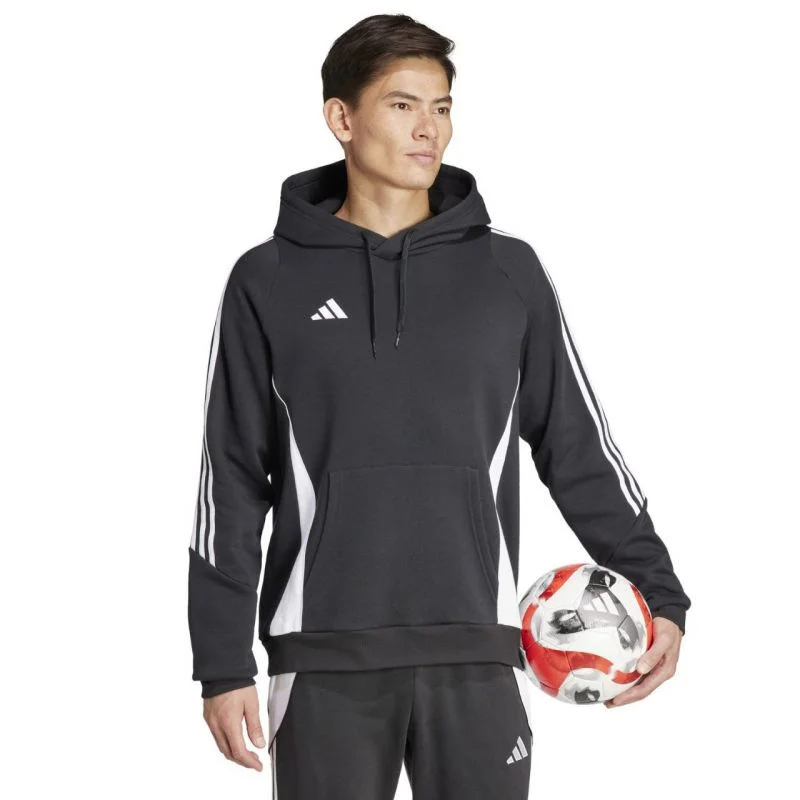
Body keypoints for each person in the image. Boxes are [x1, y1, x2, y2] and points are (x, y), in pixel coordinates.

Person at [187, 13, 691, 799]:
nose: (430, 129)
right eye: (402, 105)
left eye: (443, 107)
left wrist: (658, 592)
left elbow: (577, 447)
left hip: (479, 653)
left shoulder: (508, 274)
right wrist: (221, 664)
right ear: (341, 118)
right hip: (322, 660)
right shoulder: (267, 279)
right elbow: (231, 480)